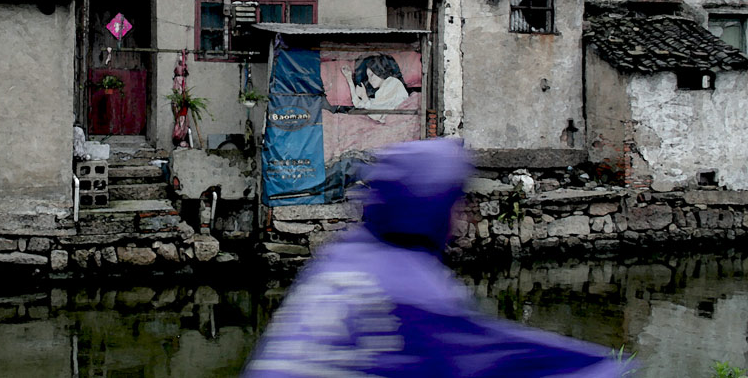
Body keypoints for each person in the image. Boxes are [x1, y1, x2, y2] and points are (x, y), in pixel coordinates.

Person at [243, 138, 629, 377]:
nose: (460, 218)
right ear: (431, 206)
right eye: (455, 202)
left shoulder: (338, 260)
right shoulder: (411, 287)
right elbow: (491, 354)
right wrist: (603, 364)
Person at [340, 54, 411, 123]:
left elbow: (377, 115)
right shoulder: (380, 94)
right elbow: (358, 103)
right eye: (368, 76)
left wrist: (364, 97)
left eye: (371, 75)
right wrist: (349, 78)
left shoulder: (392, 82)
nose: (370, 80)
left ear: (379, 71)